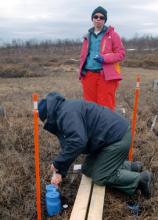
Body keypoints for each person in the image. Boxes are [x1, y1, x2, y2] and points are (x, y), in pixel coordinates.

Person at [38, 92, 153, 198]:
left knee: (100, 176)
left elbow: (78, 142)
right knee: (87, 169)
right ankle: (132, 167)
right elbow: (68, 146)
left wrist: (58, 163)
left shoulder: (67, 114)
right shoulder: (63, 112)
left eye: (45, 122)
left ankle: (140, 179)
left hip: (118, 138)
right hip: (106, 141)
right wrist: (59, 172)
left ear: (49, 117)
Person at [79, 6, 125, 111]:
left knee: (106, 107)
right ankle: (92, 127)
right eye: (96, 16)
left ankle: (106, 127)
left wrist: (104, 58)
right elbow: (83, 56)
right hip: (88, 75)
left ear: (104, 20)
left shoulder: (113, 35)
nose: (98, 19)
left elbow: (121, 53)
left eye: (101, 17)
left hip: (106, 76)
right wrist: (81, 72)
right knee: (89, 107)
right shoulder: (87, 36)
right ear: (92, 19)